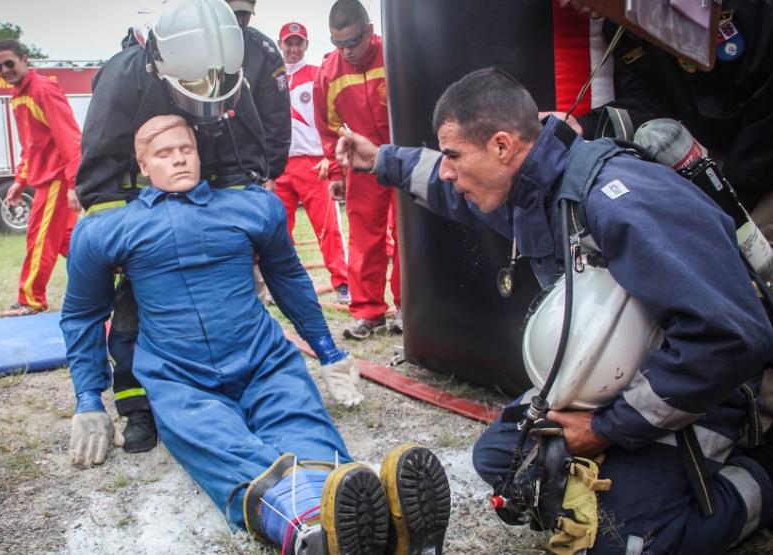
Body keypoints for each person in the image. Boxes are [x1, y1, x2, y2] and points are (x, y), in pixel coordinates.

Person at [337, 67, 773, 553]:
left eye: (454, 155)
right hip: (621, 384)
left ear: (502, 146)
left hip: (699, 394)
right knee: (505, 461)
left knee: (629, 544)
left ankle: (759, 478)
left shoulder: (619, 201)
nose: (446, 168)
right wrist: (379, 159)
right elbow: (447, 190)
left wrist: (607, 430)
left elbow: (730, 337)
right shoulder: (534, 190)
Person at [61, 114, 451, 553]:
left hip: (263, 357)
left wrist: (329, 352)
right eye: (163, 154)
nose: (178, 160)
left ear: (200, 152)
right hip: (178, 374)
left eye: (185, 149)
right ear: (143, 166)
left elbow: (289, 279)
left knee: (301, 422)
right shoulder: (106, 230)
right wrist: (88, 399)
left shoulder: (251, 207)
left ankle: (381, 527)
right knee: (216, 441)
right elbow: (81, 315)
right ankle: (311, 530)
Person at [74, 0, 319, 454]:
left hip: (205, 203)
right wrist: (133, 233)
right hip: (138, 205)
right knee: (134, 314)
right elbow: (98, 178)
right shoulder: (124, 78)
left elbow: (241, 157)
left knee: (226, 307)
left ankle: (237, 388)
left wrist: (239, 216)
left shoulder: (232, 65)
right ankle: (137, 407)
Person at [561, 1, 773, 226]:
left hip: (757, 159)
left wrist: (730, 195)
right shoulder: (626, 26)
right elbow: (650, 102)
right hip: (723, 164)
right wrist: (583, 126)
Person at [314, 0, 401, 340]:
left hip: (402, 156)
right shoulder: (329, 73)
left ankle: (409, 308)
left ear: (369, 31)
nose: (347, 51)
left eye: (353, 42)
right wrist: (336, 171)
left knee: (409, 237)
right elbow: (328, 129)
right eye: (338, 44)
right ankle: (367, 313)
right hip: (363, 167)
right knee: (365, 240)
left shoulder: (395, 54)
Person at [0, 39, 81, 318]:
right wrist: (20, 180)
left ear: (25, 59)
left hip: (56, 179)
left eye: (9, 63)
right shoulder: (18, 95)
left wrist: (74, 184)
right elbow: (31, 145)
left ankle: (31, 299)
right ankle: (122, 273)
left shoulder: (42, 89)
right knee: (68, 242)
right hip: (46, 178)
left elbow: (70, 137)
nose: (4, 70)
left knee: (39, 238)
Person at [275, 21, 350, 304]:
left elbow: (336, 119)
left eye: (298, 43)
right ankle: (284, 287)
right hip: (280, 165)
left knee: (328, 227)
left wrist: (328, 159)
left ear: (306, 45)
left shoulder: (318, 75)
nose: (293, 48)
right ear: (280, 44)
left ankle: (342, 283)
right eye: (288, 43)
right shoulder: (273, 79)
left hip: (313, 164)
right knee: (279, 232)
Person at [225, 0, 291, 188]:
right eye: (234, 14)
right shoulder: (193, 45)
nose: (239, 21)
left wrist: (270, 173)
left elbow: (277, 119)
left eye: (244, 15)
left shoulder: (264, 52)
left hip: (247, 171)